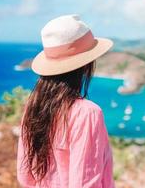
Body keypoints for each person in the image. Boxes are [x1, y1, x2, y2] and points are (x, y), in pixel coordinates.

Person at [16, 14, 115, 188]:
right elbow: (86, 184)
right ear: (86, 64)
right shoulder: (87, 113)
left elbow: (25, 176)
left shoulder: (33, 107)